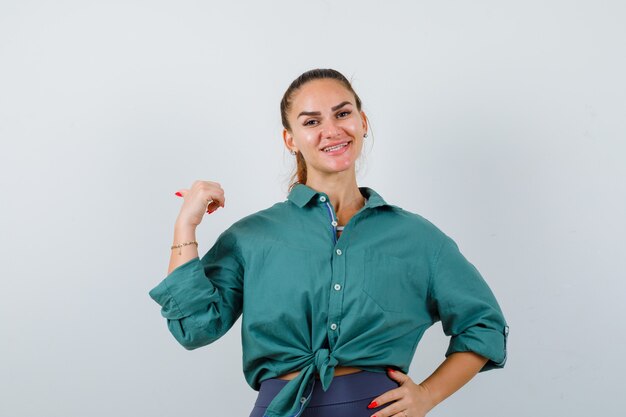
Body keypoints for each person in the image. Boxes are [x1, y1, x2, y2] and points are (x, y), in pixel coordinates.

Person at [148, 68, 509, 417]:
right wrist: (186, 226)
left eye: (343, 113)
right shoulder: (252, 236)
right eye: (311, 121)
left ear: (363, 123)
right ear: (290, 139)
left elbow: (483, 325)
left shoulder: (418, 239)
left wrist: (427, 396)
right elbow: (194, 329)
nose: (332, 130)